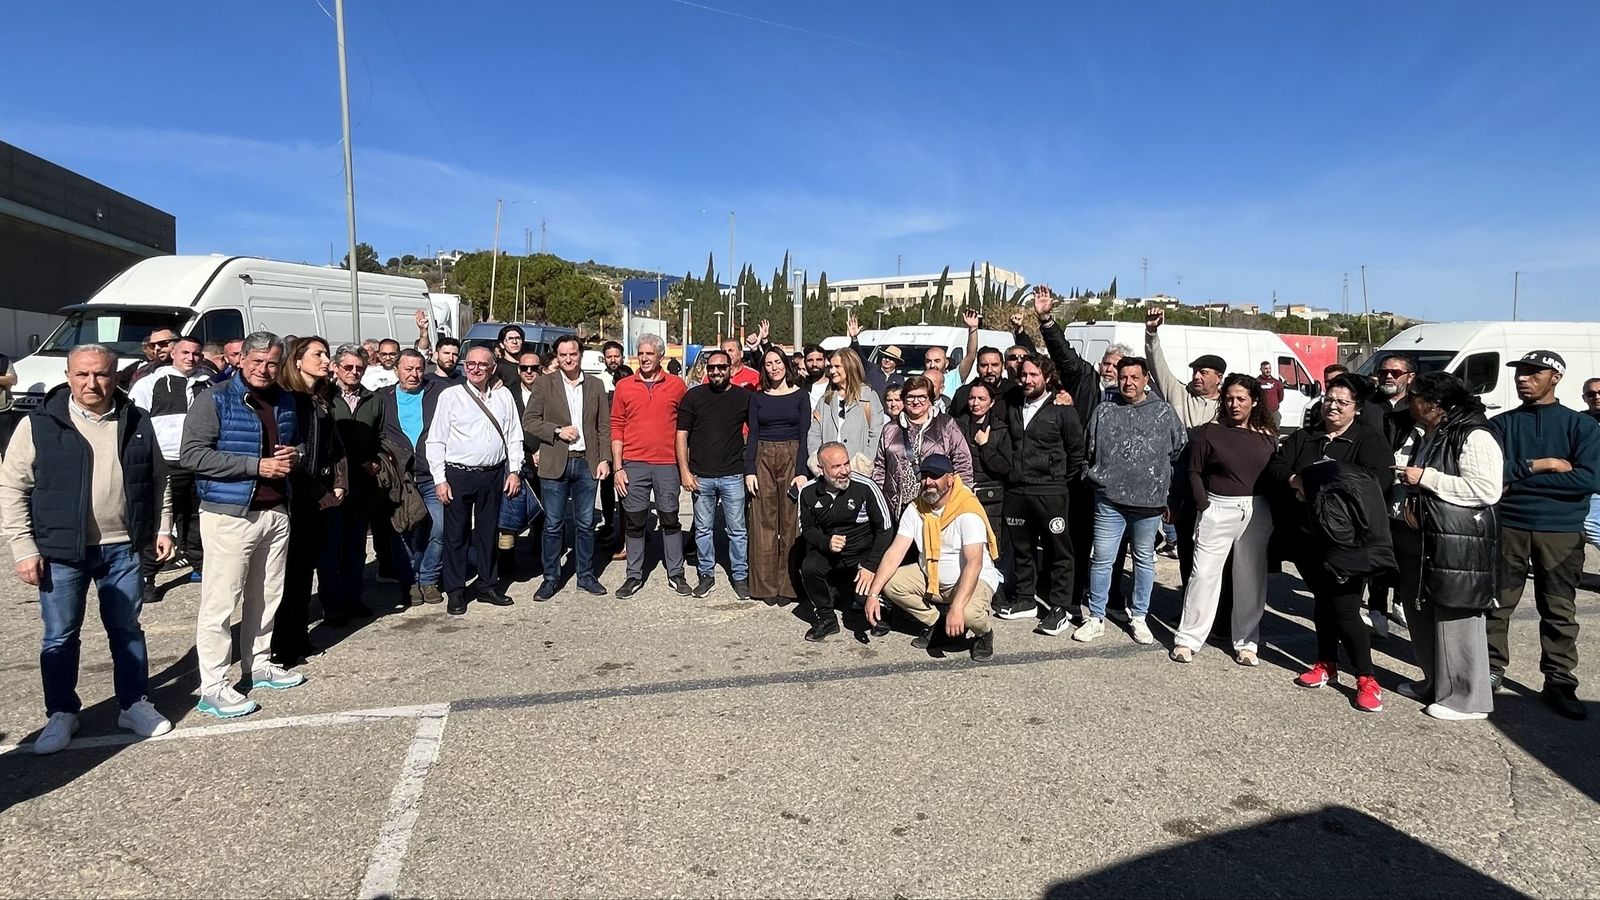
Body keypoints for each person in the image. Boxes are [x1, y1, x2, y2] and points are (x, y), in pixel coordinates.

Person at [0, 344, 173, 753]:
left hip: (123, 548)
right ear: (67, 375)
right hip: (61, 551)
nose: (91, 383)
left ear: (116, 376)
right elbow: (12, 488)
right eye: (82, 375)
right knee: (59, 636)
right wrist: (23, 547)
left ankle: (133, 703)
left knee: (127, 630)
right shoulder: (39, 424)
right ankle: (62, 714)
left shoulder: (136, 420)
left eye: (101, 374)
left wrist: (162, 528)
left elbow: (158, 479)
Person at [181, 331, 311, 718]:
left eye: (271, 363)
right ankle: (214, 685)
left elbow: (299, 447)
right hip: (229, 515)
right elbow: (192, 455)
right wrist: (256, 466)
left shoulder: (285, 400)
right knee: (221, 602)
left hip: (275, 511)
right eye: (256, 362)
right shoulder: (215, 399)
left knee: (267, 596)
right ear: (240, 360)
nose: (264, 369)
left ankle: (258, 664)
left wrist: (297, 455)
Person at [1267, 373, 1395, 713]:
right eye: (1328, 400)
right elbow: (1276, 467)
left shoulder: (1368, 439)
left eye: (1341, 402)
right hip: (1309, 537)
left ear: (1356, 408)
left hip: (1350, 541)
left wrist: (1322, 482)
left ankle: (1367, 677)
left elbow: (1376, 480)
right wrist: (1296, 478)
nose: (1332, 407)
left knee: (1346, 608)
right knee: (1323, 603)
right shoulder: (1306, 436)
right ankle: (1326, 663)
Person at [1487, 351, 1600, 719]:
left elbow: (1589, 478)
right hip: (1509, 526)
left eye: (1534, 373)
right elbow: (1490, 474)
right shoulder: (1501, 424)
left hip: (1562, 531)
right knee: (1497, 604)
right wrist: (1546, 466)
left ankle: (1559, 681)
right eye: (1520, 372)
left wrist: (1517, 480)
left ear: (1556, 377)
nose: (1523, 379)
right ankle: (1490, 670)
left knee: (1559, 610)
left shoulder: (1581, 427)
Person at [1389, 371, 1502, 721]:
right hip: (1426, 537)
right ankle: (1436, 682)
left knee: (1457, 615)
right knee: (1421, 613)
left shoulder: (1474, 433)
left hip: (1458, 544)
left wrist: (1425, 478)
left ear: (1437, 403)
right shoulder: (1433, 432)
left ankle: (1469, 699)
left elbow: (1486, 489)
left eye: (1415, 396)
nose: (1410, 402)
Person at [1072, 356, 1187, 644]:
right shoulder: (1104, 411)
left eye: (1135, 377)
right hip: (1109, 501)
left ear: (1146, 379)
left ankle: (1139, 616)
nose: (1128, 382)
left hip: (1148, 505)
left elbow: (1179, 453)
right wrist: (1094, 480)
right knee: (1102, 560)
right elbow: (1088, 451)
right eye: (1124, 377)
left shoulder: (1163, 413)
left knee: (1144, 561)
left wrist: (1168, 493)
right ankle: (1096, 616)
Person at [1171, 374, 1280, 665]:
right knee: (1203, 575)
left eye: (1241, 399)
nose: (1234, 404)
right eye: (1229, 398)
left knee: (1250, 578)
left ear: (1254, 401)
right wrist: (1204, 505)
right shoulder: (1209, 432)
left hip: (1255, 511)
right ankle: (1188, 639)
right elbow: (1194, 471)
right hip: (1216, 508)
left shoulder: (1267, 435)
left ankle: (1246, 643)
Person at [862, 453, 1000, 661]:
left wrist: (957, 608)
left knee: (969, 614)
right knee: (890, 583)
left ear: (950, 479)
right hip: (931, 577)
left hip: (971, 579)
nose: (928, 482)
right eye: (924, 476)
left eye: (935, 476)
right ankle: (936, 622)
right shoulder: (916, 508)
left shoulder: (967, 510)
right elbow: (895, 553)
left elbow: (974, 563)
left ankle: (984, 634)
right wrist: (873, 594)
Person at [426, 346, 523, 615]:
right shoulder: (451, 396)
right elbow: (436, 439)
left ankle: (487, 585)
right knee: (455, 535)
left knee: (488, 533)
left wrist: (514, 470)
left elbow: (514, 434)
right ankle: (456, 591)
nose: (476, 368)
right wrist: (440, 479)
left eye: (482, 364)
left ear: (493, 367)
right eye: (471, 364)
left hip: (492, 475)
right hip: (457, 474)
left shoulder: (503, 395)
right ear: (464, 366)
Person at [272, 337, 349, 668]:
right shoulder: (289, 401)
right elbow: (291, 453)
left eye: (327, 354)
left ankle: (298, 635)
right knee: (289, 574)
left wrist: (338, 483)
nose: (325, 359)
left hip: (318, 494)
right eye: (317, 354)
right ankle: (283, 643)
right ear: (297, 360)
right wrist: (318, 490)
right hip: (297, 496)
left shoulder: (321, 399)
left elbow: (331, 446)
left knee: (305, 571)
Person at [997, 353, 1087, 628]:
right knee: (1022, 548)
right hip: (1017, 491)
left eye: (1034, 374)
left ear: (1047, 377)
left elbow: (1076, 452)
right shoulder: (1012, 404)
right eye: (1024, 374)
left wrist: (1057, 477)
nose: (1027, 379)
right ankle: (1025, 598)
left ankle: (1060, 607)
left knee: (1058, 551)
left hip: (1051, 492)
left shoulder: (1063, 410)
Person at [524, 334, 611, 599]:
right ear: (557, 357)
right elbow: (529, 421)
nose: (568, 359)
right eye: (562, 355)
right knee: (553, 524)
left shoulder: (596, 385)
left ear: (580, 354)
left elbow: (604, 427)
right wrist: (557, 431)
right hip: (555, 463)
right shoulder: (544, 384)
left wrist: (605, 458)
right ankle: (550, 577)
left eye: (572, 354)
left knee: (585, 524)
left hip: (587, 463)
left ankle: (585, 575)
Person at [128, 335, 211, 602]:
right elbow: (135, 423)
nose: (191, 358)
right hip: (164, 462)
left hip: (198, 462)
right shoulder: (149, 384)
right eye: (185, 352)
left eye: (196, 353)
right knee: (159, 519)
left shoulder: (208, 384)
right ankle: (148, 577)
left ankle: (200, 567)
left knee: (197, 517)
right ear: (172, 354)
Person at [610, 333, 690, 598]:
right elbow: (617, 427)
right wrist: (618, 468)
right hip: (633, 464)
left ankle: (676, 572)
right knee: (634, 522)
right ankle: (633, 576)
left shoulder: (677, 385)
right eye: (640, 353)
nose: (644, 358)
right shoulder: (624, 386)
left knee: (669, 518)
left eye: (649, 354)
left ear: (661, 356)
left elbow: (687, 426)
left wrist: (685, 465)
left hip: (667, 463)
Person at [798, 442, 894, 641]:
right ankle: (826, 619)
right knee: (809, 567)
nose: (844, 471)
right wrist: (826, 542)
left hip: (863, 552)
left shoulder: (865, 487)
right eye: (836, 467)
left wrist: (871, 566)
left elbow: (885, 529)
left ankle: (878, 616)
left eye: (846, 464)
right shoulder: (807, 492)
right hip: (831, 551)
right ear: (820, 469)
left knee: (863, 593)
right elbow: (806, 528)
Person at [677, 349, 750, 599]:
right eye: (712, 368)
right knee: (703, 530)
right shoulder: (694, 396)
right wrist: (684, 471)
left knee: (737, 530)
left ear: (731, 369)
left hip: (733, 474)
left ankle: (740, 576)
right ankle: (705, 574)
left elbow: (757, 431)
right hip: (701, 475)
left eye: (721, 367)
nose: (716, 371)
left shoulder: (743, 397)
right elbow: (681, 435)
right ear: (706, 370)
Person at [378, 350, 447, 605]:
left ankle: (428, 579)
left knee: (438, 528)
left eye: (419, 369)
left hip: (431, 475)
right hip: (401, 478)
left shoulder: (438, 393)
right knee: (404, 530)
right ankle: (410, 581)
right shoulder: (382, 398)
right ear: (396, 369)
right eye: (408, 369)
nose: (414, 374)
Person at [745, 348, 811, 605]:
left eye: (777, 362)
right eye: (768, 364)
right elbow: (752, 434)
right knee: (763, 522)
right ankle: (765, 586)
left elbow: (805, 434)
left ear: (786, 365)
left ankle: (789, 585)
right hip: (763, 455)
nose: (773, 367)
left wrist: (802, 470)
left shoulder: (801, 396)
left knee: (790, 523)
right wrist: (749, 469)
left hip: (792, 454)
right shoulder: (758, 398)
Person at [328, 344, 384, 617]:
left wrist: (377, 460)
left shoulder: (373, 400)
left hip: (362, 484)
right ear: (336, 367)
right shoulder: (325, 398)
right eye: (348, 367)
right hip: (332, 486)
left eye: (359, 368)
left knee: (356, 546)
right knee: (332, 548)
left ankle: (353, 598)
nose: (353, 372)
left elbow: (381, 437)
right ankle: (332, 604)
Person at [873, 376, 973, 514]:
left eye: (922, 397)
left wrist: (961, 497)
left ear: (930, 399)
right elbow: (880, 468)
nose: (915, 401)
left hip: (936, 506)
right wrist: (877, 502)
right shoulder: (889, 429)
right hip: (896, 508)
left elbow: (962, 463)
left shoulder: (946, 425)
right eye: (910, 397)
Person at [954, 381, 1013, 611]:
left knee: (991, 547)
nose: (975, 403)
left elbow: (1004, 467)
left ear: (991, 402)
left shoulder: (1000, 429)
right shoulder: (958, 426)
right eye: (972, 398)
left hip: (991, 498)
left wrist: (986, 446)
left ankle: (995, 593)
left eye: (981, 399)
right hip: (963, 494)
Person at [807, 347, 883, 478]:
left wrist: (863, 463)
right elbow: (814, 433)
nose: (832, 371)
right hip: (828, 474)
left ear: (850, 367)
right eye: (831, 366)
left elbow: (876, 434)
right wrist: (817, 460)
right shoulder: (825, 400)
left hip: (858, 474)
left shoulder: (868, 397)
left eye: (837, 366)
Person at [1586, 376, 1600, 553]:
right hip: (1590, 484)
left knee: (1590, 525)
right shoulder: (1580, 420)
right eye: (1591, 394)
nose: (1596, 396)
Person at [1257, 361, 1286, 430]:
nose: (1268, 370)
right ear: (1261, 369)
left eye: (1269, 368)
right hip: (1261, 413)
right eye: (1266, 369)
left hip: (1273, 413)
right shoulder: (1257, 382)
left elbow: (1280, 397)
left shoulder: (1277, 383)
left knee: (1274, 432)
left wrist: (1273, 404)